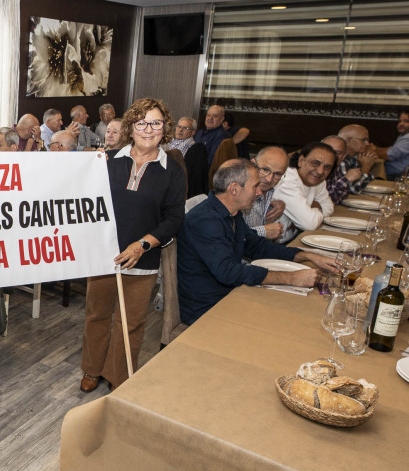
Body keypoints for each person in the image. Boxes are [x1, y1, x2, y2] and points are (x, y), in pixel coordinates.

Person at [79, 97, 186, 393]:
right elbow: (87, 204)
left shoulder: (172, 170)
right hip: (103, 256)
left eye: (155, 122)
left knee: (132, 322)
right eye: (141, 122)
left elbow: (174, 217)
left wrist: (142, 245)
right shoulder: (107, 161)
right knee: (97, 314)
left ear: (165, 128)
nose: (148, 129)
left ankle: (118, 375)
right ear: (131, 127)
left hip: (143, 258)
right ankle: (91, 369)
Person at [178, 159, 337, 325]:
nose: (259, 192)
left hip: (230, 295)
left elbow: (257, 247)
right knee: (294, 319)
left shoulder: (231, 212)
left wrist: (308, 256)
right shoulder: (205, 220)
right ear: (234, 189)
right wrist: (291, 279)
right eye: (255, 186)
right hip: (208, 308)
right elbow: (228, 272)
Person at [272, 142, 337, 243]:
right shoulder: (287, 181)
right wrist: (316, 206)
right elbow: (309, 224)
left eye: (327, 167)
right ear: (301, 161)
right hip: (273, 246)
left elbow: (329, 208)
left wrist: (310, 209)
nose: (320, 171)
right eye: (315, 163)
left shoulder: (318, 181)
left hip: (292, 239)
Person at [242, 146, 288, 240]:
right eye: (265, 170)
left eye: (278, 174)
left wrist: (280, 203)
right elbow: (229, 236)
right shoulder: (238, 191)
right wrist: (263, 231)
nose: (269, 179)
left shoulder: (269, 192)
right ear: (252, 163)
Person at [322, 135, 355, 204]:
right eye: (328, 150)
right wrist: (346, 179)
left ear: (343, 156)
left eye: (337, 153)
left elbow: (344, 195)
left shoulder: (336, 168)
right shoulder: (314, 170)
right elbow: (326, 200)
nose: (332, 155)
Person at [382, 111, 409, 179]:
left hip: (399, 178)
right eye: (399, 121)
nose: (401, 124)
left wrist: (374, 149)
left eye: (406, 121)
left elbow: (389, 155)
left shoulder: (407, 138)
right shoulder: (403, 136)